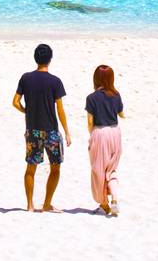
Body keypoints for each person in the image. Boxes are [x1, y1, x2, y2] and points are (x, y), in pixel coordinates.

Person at [10, 42, 72, 212]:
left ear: (35, 59)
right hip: (51, 131)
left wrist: (26, 111)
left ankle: (29, 205)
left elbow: (15, 102)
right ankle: (46, 204)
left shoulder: (25, 78)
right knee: (55, 167)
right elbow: (60, 109)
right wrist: (66, 132)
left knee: (31, 167)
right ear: (50, 60)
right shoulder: (55, 81)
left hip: (32, 130)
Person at [85, 63, 125, 216]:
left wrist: (92, 135)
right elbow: (121, 114)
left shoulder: (91, 98)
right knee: (111, 170)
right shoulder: (116, 95)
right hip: (115, 133)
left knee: (98, 171)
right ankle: (114, 198)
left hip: (100, 133)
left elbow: (90, 122)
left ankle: (104, 205)